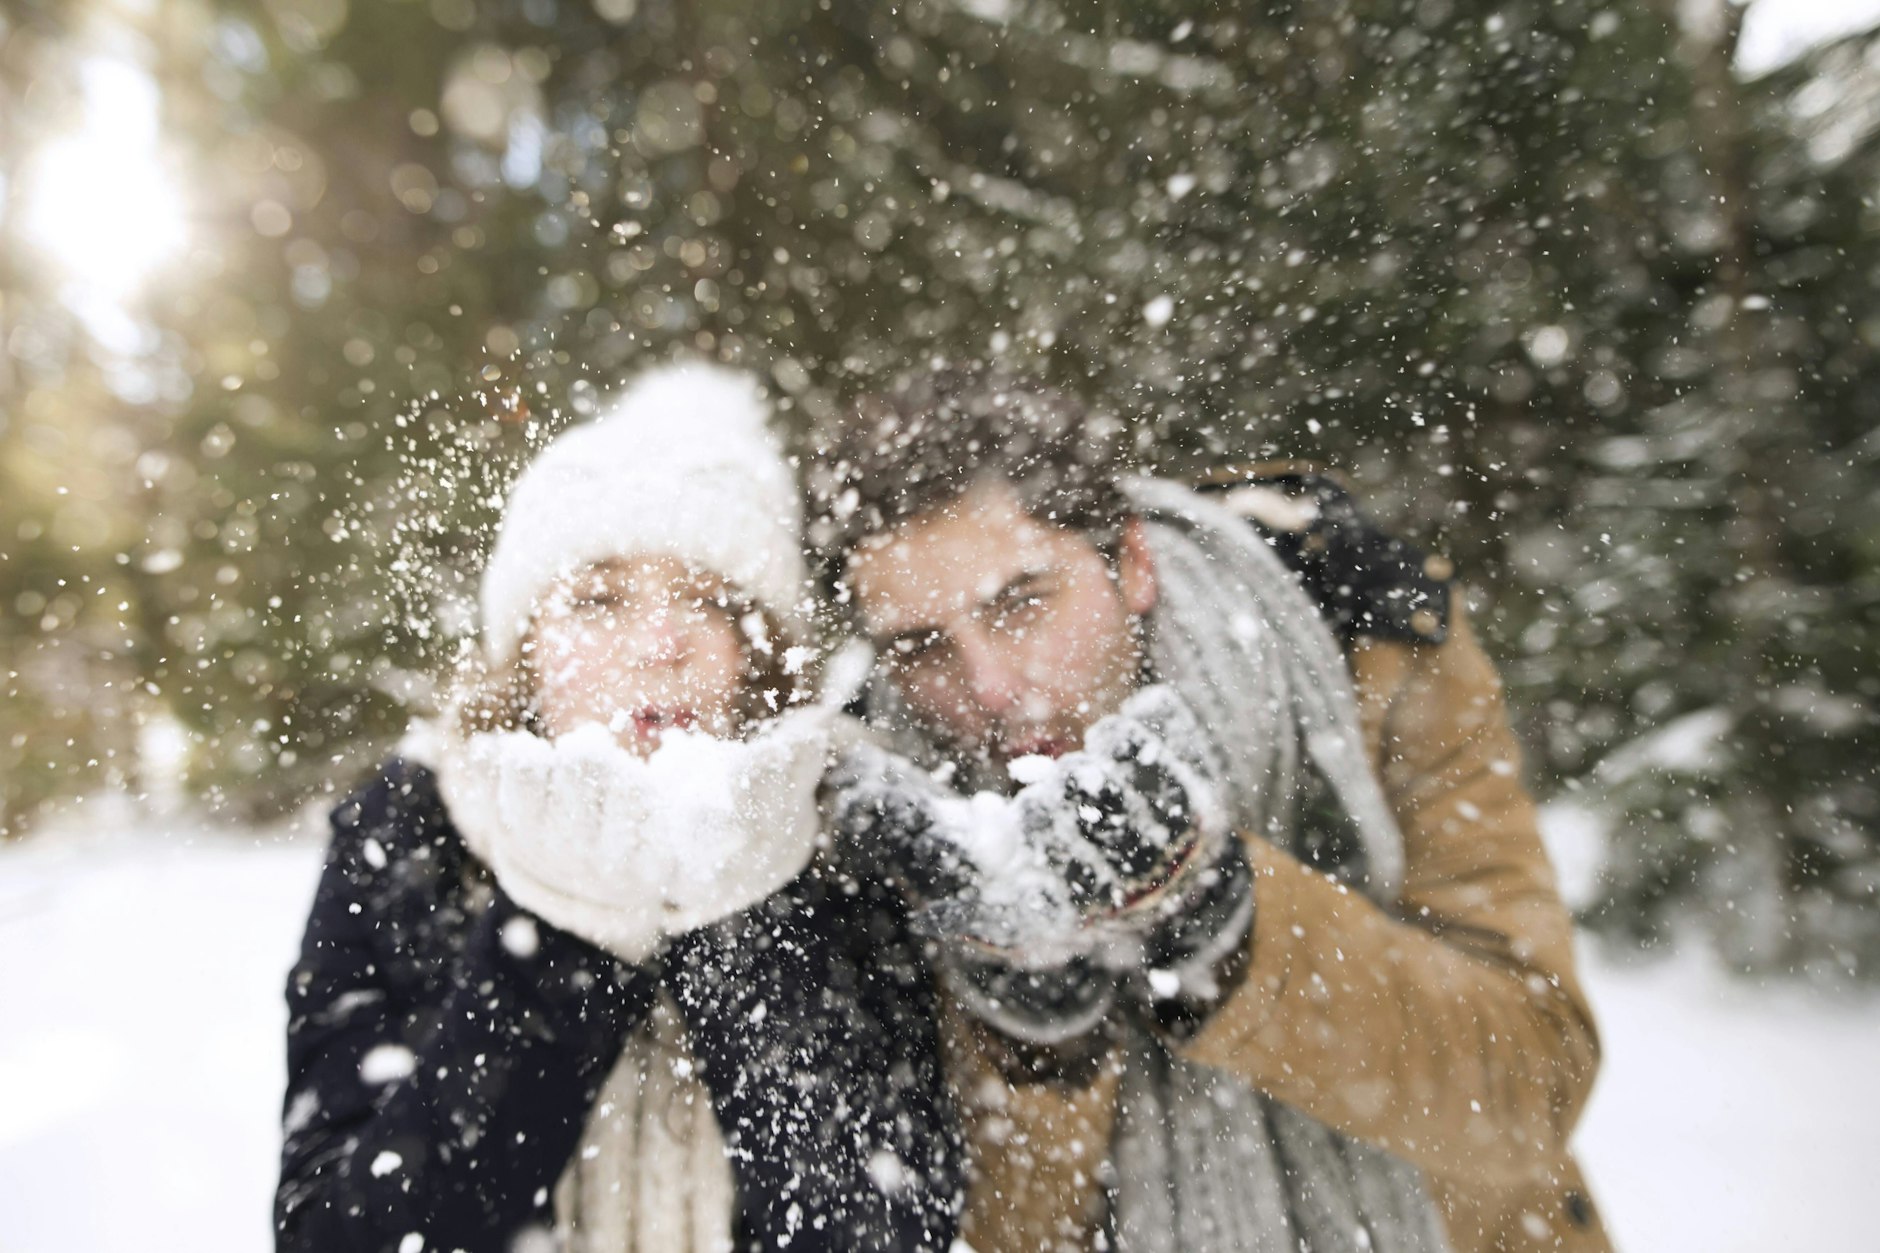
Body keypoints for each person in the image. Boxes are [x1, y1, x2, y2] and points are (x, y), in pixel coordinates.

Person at [812, 370, 1613, 1253]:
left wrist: (1237, 938)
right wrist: (1037, 1042)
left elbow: (1537, 1080)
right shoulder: (883, 804)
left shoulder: (1359, 639)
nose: (990, 689)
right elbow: (1005, 1228)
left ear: (1134, 564)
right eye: (923, 648)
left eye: (1022, 603)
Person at [274, 363, 963, 1253]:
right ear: (523, 650)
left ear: (763, 657)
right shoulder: (410, 831)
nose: (660, 644)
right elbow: (340, 1235)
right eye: (599, 599)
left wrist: (740, 903)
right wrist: (565, 922)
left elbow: (882, 1228)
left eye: (709, 602)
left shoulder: (843, 826)